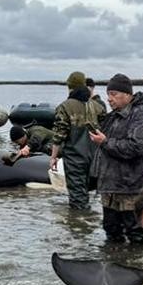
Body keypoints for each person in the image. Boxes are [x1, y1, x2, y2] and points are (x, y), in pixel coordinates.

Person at [89, 73, 143, 243]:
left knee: (136, 234)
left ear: (127, 94)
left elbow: (136, 147)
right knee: (111, 231)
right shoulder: (113, 116)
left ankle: (137, 260)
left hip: (132, 188)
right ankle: (113, 258)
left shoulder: (142, 114)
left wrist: (105, 142)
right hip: (111, 188)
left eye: (114, 94)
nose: (109, 99)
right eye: (108, 94)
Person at [49, 71, 101, 210]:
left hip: (75, 158)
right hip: (95, 158)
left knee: (78, 199)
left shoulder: (65, 107)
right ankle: (90, 220)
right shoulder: (97, 106)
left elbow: (59, 135)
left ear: (69, 87)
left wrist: (53, 157)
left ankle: (79, 221)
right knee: (89, 192)